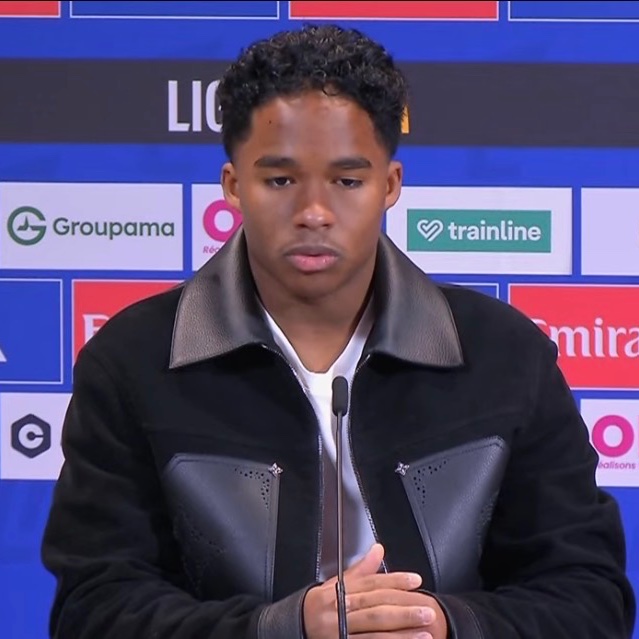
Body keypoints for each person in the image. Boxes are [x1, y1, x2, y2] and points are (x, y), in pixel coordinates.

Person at [41, 23, 635, 639]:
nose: (314, 213)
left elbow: (589, 599)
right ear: (233, 187)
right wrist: (287, 627)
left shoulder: (505, 354)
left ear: (390, 186)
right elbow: (94, 611)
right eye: (280, 180)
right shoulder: (133, 361)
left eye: (348, 181)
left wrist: (442, 623)